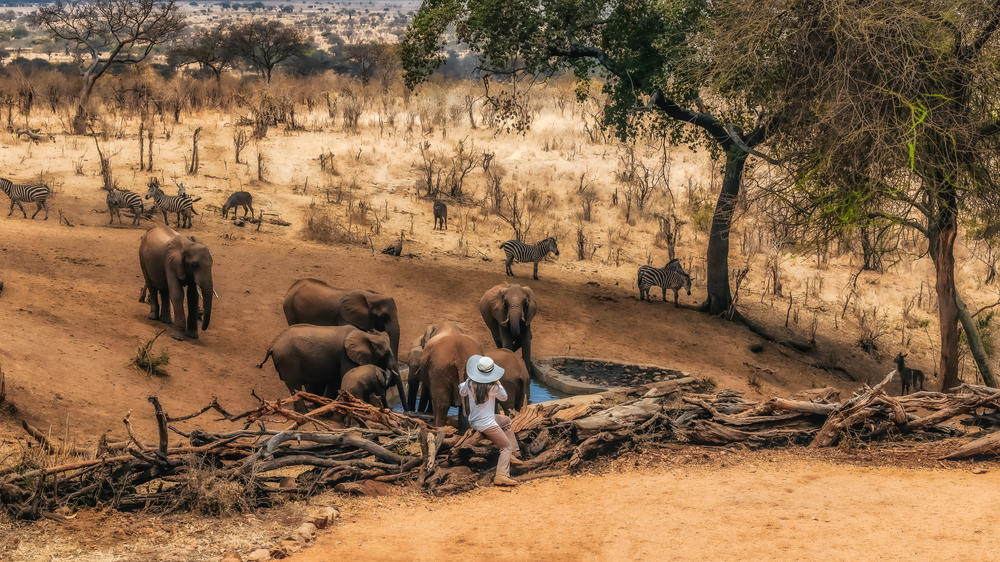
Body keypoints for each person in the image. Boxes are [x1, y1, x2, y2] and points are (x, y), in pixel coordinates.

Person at [459, 355, 521, 486]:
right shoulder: (493, 387)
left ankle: (514, 453)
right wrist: (498, 382)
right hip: (487, 424)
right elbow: (504, 397)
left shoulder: (470, 383)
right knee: (505, 447)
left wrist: (468, 379)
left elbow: (462, 392)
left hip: (474, 421)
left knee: (506, 421)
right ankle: (502, 475)